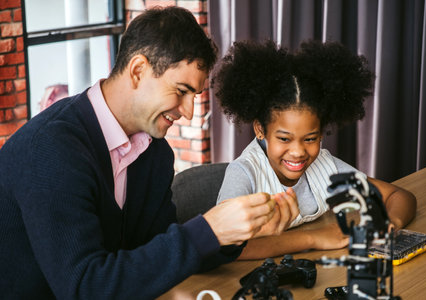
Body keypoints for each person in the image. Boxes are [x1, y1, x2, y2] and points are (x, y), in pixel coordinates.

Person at [0, 7, 293, 299]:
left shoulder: (155, 154)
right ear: (138, 70)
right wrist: (209, 229)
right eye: (181, 91)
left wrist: (237, 233)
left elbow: (158, 256)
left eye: (195, 95)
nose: (189, 113)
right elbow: (85, 287)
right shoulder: (51, 149)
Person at [212, 40, 417, 260]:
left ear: (321, 133)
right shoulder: (243, 173)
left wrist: (391, 223)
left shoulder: (324, 166)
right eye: (284, 138)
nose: (298, 151)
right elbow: (224, 246)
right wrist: (314, 238)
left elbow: (399, 196)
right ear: (260, 130)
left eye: (310, 138)